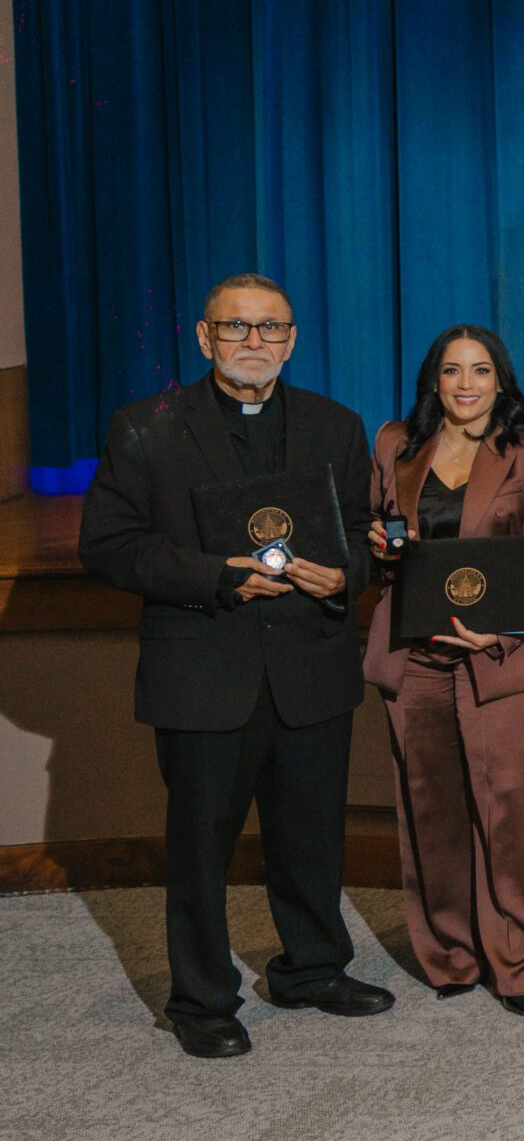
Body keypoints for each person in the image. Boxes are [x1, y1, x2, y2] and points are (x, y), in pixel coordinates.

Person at [79, 275, 387, 1058]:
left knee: (312, 836)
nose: (255, 342)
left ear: (293, 338)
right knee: (201, 848)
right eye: (237, 327)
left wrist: (346, 574)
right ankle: (202, 1000)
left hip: (310, 668)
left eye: (271, 328)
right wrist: (216, 576)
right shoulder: (145, 427)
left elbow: (361, 532)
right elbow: (108, 545)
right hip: (204, 670)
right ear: (203, 336)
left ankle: (312, 970)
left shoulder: (336, 424)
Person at [362, 325, 524, 1015]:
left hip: (497, 656)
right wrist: (381, 543)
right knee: (431, 808)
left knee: (506, 809)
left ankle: (518, 960)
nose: (466, 384)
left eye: (480, 370)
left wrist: (504, 626)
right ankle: (450, 954)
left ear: (500, 380)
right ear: (434, 379)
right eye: (452, 371)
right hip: (415, 652)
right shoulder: (396, 443)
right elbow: (380, 533)